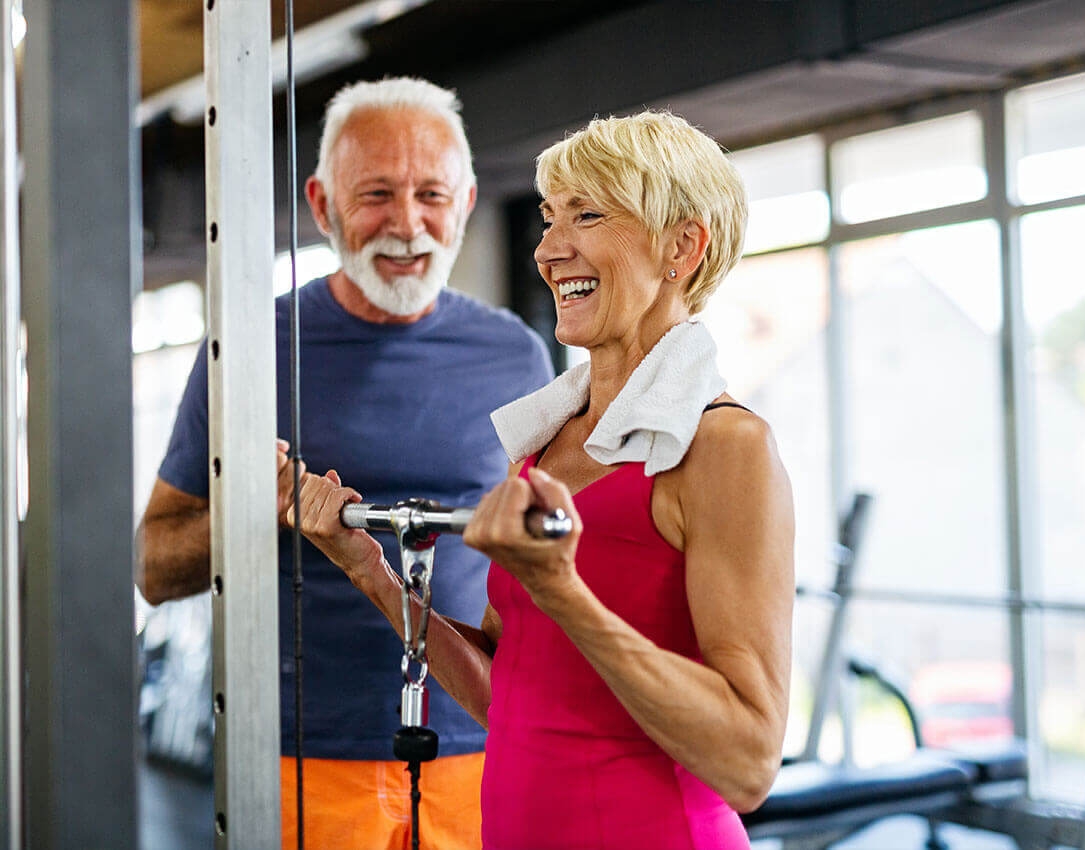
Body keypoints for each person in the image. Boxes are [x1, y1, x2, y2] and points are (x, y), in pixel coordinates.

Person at [296, 110, 795, 849]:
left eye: (586, 216)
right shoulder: (542, 446)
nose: (550, 250)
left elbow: (749, 762)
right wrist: (369, 573)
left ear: (682, 246)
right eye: (549, 219)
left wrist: (563, 589)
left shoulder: (725, 446)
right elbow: (513, 697)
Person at [135, 76, 554, 850]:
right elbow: (154, 569)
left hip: (487, 747)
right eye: (376, 195)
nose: (407, 225)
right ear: (323, 206)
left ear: (465, 203)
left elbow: (542, 562)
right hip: (302, 755)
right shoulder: (250, 347)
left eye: (431, 194)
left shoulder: (517, 355)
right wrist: (247, 512)